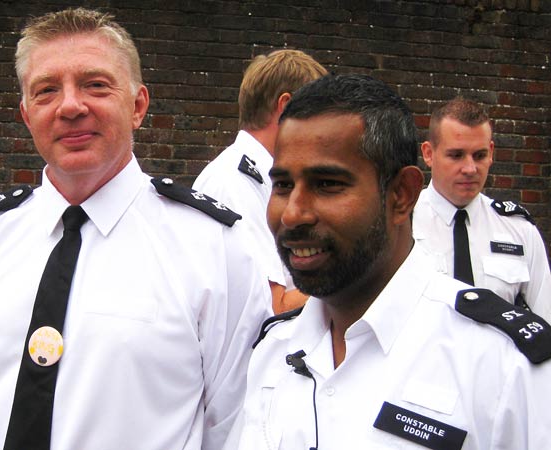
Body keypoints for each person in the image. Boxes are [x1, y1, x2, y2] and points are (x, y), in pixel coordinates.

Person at [0, 8, 270, 450]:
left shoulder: (215, 247)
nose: (70, 106)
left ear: (138, 105)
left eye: (95, 85)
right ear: (27, 116)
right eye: (47, 91)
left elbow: (234, 426)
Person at [226, 74, 551, 449]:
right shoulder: (272, 352)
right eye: (282, 186)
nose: (293, 214)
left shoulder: (505, 368)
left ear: (401, 195)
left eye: (328, 184)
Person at [193, 49, 327, 314]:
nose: (323, 130)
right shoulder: (233, 183)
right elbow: (273, 308)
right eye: (318, 114)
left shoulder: (262, 179)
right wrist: (353, 281)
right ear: (286, 108)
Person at [413, 97, 551, 321]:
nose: (470, 168)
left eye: (479, 155)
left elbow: (544, 323)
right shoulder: (400, 224)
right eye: (456, 155)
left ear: (491, 152)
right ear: (429, 153)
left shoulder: (519, 230)